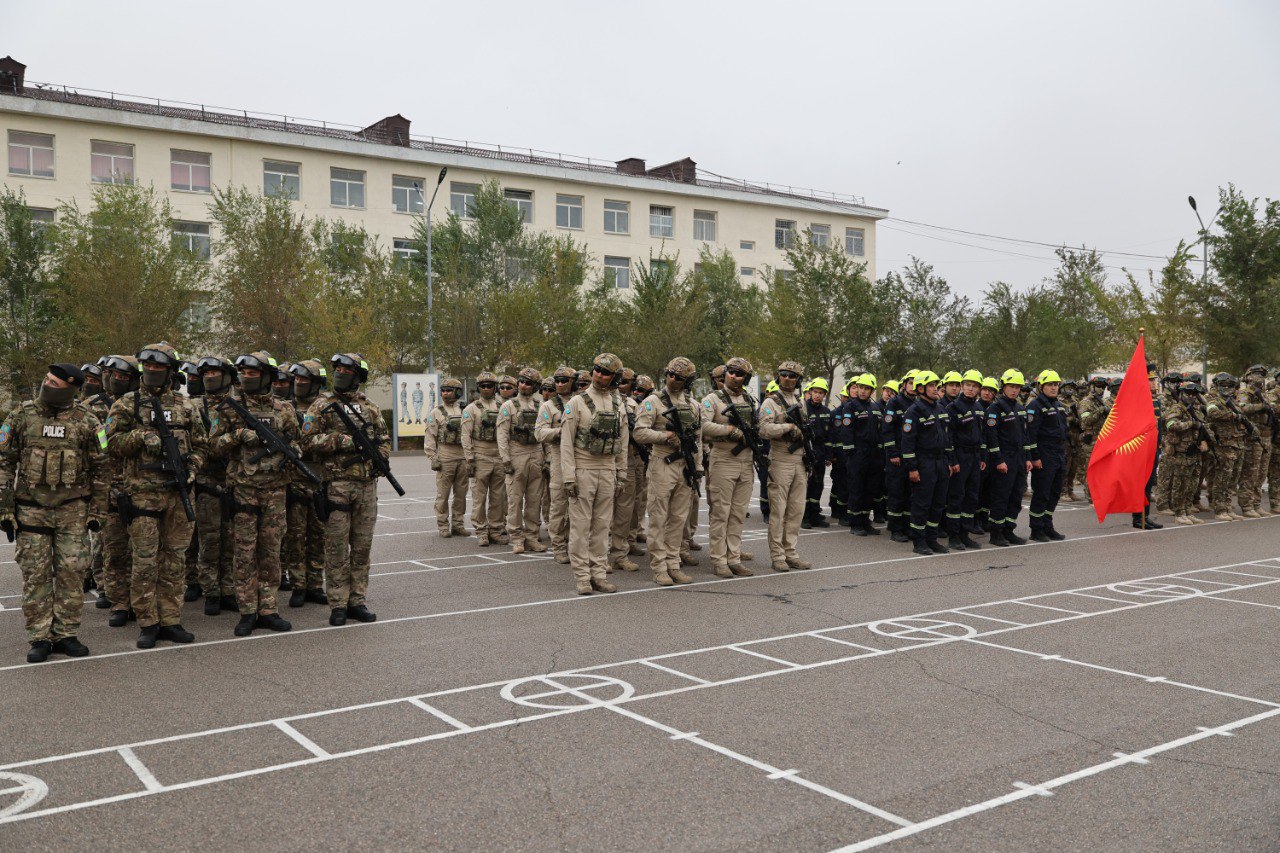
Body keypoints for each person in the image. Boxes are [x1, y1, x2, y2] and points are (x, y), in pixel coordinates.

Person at [1, 364, 108, 662]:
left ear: (72, 389)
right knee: (36, 576)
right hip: (32, 511)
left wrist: (98, 510)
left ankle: (66, 634)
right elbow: (4, 463)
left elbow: (101, 467)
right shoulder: (22, 415)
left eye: (55, 383)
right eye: (47, 380)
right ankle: (39, 637)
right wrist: (5, 509)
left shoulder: (87, 421)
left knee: (72, 573)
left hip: (73, 511)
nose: (48, 385)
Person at [105, 343, 207, 648]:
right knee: (146, 561)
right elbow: (108, 443)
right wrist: (140, 436)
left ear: (170, 372)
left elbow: (203, 446)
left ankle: (171, 620)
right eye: (147, 367)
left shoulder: (187, 407)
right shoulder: (126, 404)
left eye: (159, 368)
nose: (152, 372)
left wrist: (193, 468)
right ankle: (147, 622)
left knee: (174, 561)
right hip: (142, 497)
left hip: (178, 495)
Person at [209, 352, 296, 636]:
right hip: (244, 491)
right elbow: (212, 446)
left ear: (267, 377)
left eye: (253, 374)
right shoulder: (229, 408)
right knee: (244, 553)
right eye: (243, 373)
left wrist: (292, 453)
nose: (247, 378)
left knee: (271, 551)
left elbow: (297, 444)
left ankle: (269, 609)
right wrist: (237, 436)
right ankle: (247, 610)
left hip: (275, 490)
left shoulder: (284, 409)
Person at [301, 353, 388, 626]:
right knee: (336, 548)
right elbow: (306, 441)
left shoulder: (370, 407)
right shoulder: (321, 405)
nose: (340, 373)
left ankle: (357, 601)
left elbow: (383, 440)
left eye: (346, 370)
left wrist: (380, 457)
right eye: (337, 369)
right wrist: (342, 441)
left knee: (362, 548)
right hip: (336, 485)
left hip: (366, 486)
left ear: (359, 377)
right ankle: (338, 603)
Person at [560, 354, 629, 595]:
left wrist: (621, 474)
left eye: (606, 372)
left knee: (601, 526)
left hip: (607, 470)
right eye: (597, 370)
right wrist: (568, 477)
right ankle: (582, 577)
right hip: (583, 469)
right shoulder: (577, 403)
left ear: (614, 377)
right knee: (580, 527)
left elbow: (622, 442)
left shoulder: (618, 405)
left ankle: (599, 574)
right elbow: (566, 443)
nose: (600, 375)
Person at [634, 357, 703, 586]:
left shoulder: (693, 405)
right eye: (671, 374)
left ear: (688, 381)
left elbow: (698, 439)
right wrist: (665, 436)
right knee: (658, 518)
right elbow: (640, 433)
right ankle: (659, 567)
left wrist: (698, 466)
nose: (673, 379)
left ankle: (673, 563)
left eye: (680, 377)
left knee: (678, 519)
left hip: (685, 466)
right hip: (662, 462)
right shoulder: (653, 401)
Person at [192, 356, 238, 616]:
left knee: (231, 540)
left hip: (234, 483)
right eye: (205, 372)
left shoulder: (238, 406)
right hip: (207, 483)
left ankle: (229, 589)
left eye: (215, 372)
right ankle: (210, 591)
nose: (210, 377)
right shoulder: (194, 407)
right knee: (209, 540)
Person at [758, 362, 813, 572]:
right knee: (778, 511)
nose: (787, 378)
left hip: (799, 459)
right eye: (784, 374)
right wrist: (788, 427)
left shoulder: (800, 401)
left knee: (796, 510)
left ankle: (791, 552)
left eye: (792, 375)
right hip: (781, 458)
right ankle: (778, 556)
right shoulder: (770, 402)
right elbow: (763, 429)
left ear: (798, 379)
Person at [283, 360, 329, 607]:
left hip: (321, 479)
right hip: (295, 481)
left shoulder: (328, 407)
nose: (299, 383)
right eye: (296, 380)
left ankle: (314, 584)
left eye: (304, 380)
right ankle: (298, 585)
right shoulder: (285, 407)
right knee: (295, 537)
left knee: (318, 536)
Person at [901, 371, 955, 555]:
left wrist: (948, 461)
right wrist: (912, 468)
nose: (935, 389)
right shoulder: (913, 411)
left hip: (940, 462)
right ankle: (919, 541)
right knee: (921, 504)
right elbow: (907, 443)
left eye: (936, 385)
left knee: (938, 503)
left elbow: (947, 438)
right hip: (924, 463)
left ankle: (932, 539)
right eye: (931, 385)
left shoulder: (940, 409)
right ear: (921, 388)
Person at [497, 367, 546, 554]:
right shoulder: (508, 406)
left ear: (535, 386)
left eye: (528, 383)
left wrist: (546, 458)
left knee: (535, 499)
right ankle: (517, 538)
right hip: (516, 452)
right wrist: (506, 459)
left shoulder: (541, 406)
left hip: (536, 452)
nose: (524, 385)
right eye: (522, 381)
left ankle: (532, 536)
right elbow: (501, 435)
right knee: (515, 500)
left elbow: (545, 433)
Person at [78, 360, 113, 605]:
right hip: (87, 479)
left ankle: (103, 584)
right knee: (88, 536)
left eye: (94, 381)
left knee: (102, 539)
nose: (90, 385)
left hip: (109, 477)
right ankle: (89, 575)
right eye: (86, 381)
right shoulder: (83, 408)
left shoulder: (113, 405)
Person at [984, 369, 1031, 547]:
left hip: (1019, 458)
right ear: (1004, 387)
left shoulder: (1019, 408)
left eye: (1017, 387)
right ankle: (996, 533)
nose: (1014, 390)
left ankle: (1008, 529)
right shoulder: (995, 408)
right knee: (1001, 497)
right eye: (1011, 386)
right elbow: (991, 437)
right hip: (1005, 458)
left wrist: (1027, 457)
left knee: (1016, 496)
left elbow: (1025, 435)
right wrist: (998, 460)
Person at [535, 366, 577, 564]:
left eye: (564, 380)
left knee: (578, 506)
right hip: (559, 457)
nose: (560, 384)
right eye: (557, 381)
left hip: (581, 457)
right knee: (559, 504)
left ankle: (574, 544)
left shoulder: (581, 402)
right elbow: (540, 433)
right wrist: (559, 432)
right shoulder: (548, 406)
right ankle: (559, 546)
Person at [462, 371, 508, 547]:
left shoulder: (503, 406)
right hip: (480, 455)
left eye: (490, 385)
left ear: (495, 387)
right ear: (478, 387)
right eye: (483, 386)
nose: (487, 388)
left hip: (499, 455)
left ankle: (496, 530)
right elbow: (465, 437)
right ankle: (481, 531)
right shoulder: (471, 409)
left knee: (498, 497)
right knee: (479, 497)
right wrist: (469, 459)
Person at [944, 370, 985, 549]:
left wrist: (982, 457)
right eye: (967, 385)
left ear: (978, 389)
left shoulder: (978, 408)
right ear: (962, 386)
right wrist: (953, 461)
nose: (970, 389)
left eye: (974, 386)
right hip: (960, 456)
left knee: (971, 497)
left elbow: (982, 435)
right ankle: (953, 535)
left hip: (975, 457)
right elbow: (948, 438)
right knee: (957, 496)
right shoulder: (952, 408)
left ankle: (965, 533)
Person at [1026, 370, 1069, 541]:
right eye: (1050, 384)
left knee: (1054, 492)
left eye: (1056, 384)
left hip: (1058, 455)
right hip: (1044, 455)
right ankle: (1036, 529)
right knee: (1041, 493)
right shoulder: (1034, 406)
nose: (1053, 387)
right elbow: (1031, 435)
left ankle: (1047, 525)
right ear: (1041, 386)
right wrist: (1035, 457)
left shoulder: (1058, 405)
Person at [424, 377, 468, 537]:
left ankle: (458, 524)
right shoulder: (436, 412)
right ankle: (443, 525)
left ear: (457, 392)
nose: (445, 393)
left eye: (449, 390)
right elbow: (430, 437)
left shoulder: (465, 410)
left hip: (463, 456)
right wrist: (433, 457)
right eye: (443, 390)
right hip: (445, 456)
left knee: (461, 494)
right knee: (443, 494)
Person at [608, 369, 642, 573]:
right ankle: (598, 555)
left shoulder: (632, 405)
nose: (621, 385)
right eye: (618, 381)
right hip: (600, 459)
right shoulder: (591, 401)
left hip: (627, 458)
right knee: (599, 511)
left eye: (625, 382)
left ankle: (619, 553)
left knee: (624, 510)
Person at [881, 371, 918, 543]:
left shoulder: (920, 403)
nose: (913, 386)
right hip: (897, 457)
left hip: (913, 456)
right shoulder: (894, 403)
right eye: (910, 382)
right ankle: (895, 528)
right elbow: (887, 430)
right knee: (897, 492)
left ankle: (906, 526)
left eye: (916, 383)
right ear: (904, 384)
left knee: (910, 493)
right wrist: (893, 454)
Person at [1204, 373, 1246, 521]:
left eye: (1229, 386)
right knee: (1222, 478)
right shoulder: (1212, 399)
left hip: (1236, 443)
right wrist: (1233, 415)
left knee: (1232, 479)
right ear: (1217, 386)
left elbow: (1242, 414)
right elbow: (1212, 412)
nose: (1226, 388)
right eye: (1223, 385)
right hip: (1222, 444)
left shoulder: (1232, 401)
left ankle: (1228, 507)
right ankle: (1220, 509)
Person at [1166, 382, 1210, 525]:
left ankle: (1188, 510)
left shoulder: (1195, 409)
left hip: (1195, 451)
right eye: (1188, 393)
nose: (1191, 397)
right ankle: (1179, 513)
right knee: (1180, 484)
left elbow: (1203, 425)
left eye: (1193, 394)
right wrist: (1190, 424)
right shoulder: (1177, 408)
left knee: (1192, 484)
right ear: (1181, 393)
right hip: (1181, 452)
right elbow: (1171, 424)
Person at [1236, 365, 1272, 518]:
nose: (1260, 378)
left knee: (1261, 473)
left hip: (1266, 436)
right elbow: (1242, 408)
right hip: (1252, 438)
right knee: (1250, 473)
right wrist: (1261, 406)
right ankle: (1246, 505)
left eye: (1262, 375)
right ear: (1249, 376)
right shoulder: (1246, 392)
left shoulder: (1264, 394)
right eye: (1257, 374)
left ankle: (1256, 503)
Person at [628, 375, 655, 551]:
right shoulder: (629, 405)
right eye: (636, 389)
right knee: (627, 501)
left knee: (641, 498)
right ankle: (626, 538)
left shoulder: (648, 406)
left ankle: (638, 529)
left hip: (642, 456)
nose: (637, 393)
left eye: (642, 391)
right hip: (629, 454)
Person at [801, 378, 832, 529]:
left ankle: (814, 515)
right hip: (806, 453)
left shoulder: (827, 412)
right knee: (806, 486)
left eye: (821, 393)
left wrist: (828, 456)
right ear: (810, 392)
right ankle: (804, 516)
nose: (817, 395)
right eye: (815, 392)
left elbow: (830, 436)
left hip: (820, 454)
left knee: (818, 485)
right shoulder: (803, 410)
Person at [1076, 376, 1110, 502]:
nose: (1100, 389)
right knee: (1090, 469)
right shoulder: (1086, 402)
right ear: (1092, 386)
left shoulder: (1103, 402)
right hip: (1091, 440)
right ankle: (1090, 496)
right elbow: (1085, 420)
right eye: (1098, 386)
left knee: (1102, 470)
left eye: (1102, 386)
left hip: (1103, 440)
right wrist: (1101, 410)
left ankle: (1100, 493)